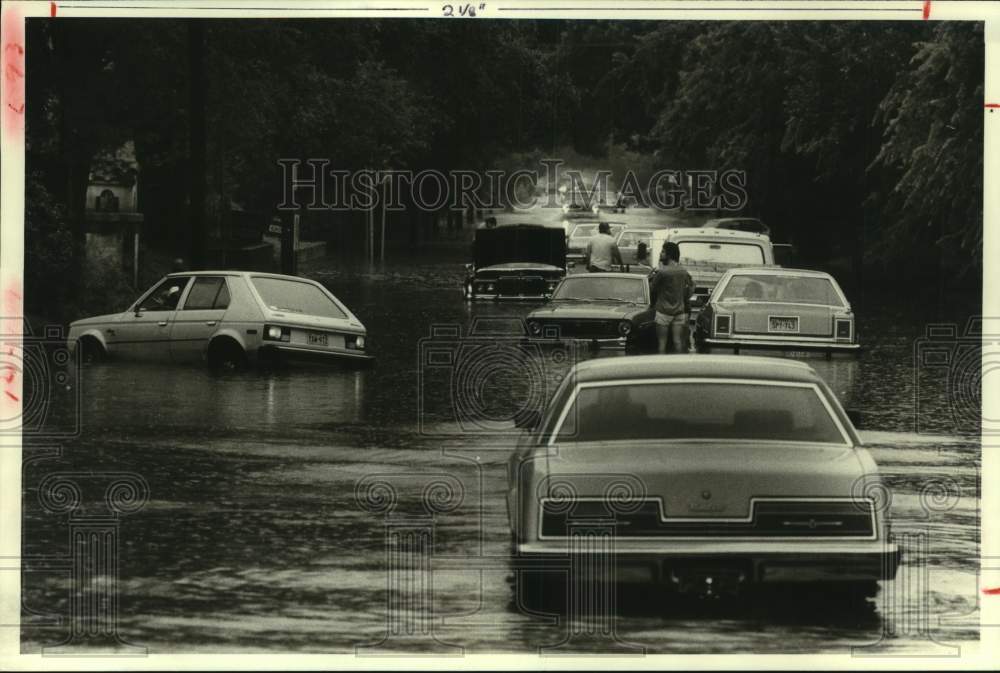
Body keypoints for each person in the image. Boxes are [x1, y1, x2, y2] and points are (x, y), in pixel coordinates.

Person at [649, 241, 694, 354]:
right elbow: (691, 286)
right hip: (679, 311)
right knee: (677, 342)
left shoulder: (662, 272)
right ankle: (678, 369)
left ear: (669, 254)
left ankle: (661, 369)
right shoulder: (683, 271)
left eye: (663, 251)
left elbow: (652, 288)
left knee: (662, 343)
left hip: (663, 311)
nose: (660, 254)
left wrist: (651, 276)